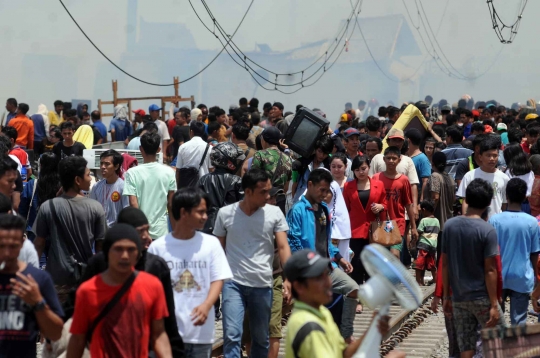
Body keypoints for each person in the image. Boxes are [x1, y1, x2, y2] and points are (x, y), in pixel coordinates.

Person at [80, 207, 184, 357]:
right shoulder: (98, 264)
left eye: (147, 230)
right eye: (140, 231)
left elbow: (167, 323)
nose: (147, 237)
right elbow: (75, 309)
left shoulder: (156, 267)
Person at [213, 169, 291, 358]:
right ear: (248, 192)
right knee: (232, 335)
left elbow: (282, 246)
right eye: (263, 192)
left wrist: (289, 278)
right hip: (233, 284)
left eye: (269, 191)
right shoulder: (225, 214)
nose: (268, 196)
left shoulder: (274, 213)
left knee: (260, 338)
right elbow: (217, 250)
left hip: (263, 284)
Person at [149, 189, 232, 358]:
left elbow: (218, 279)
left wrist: (207, 305)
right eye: (200, 212)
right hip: (165, 334)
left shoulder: (211, 244)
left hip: (200, 335)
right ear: (183, 213)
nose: (205, 217)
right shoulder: (158, 247)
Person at [67, 224, 172, 358]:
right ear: (107, 252)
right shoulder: (88, 291)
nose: (124, 256)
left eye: (131, 249)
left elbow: (158, 334)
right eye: (118, 249)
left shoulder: (153, 286)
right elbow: (78, 338)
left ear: (138, 254)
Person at [283, 249, 404, 358]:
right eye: (319, 278)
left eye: (327, 275)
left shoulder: (321, 312)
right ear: (299, 287)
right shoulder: (309, 325)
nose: (328, 282)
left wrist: (371, 331)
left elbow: (343, 353)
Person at [287, 169, 358, 341]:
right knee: (314, 309)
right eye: (322, 190)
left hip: (328, 268)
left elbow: (326, 241)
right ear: (310, 185)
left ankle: (346, 334)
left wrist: (339, 258)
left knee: (353, 289)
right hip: (310, 271)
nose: (325, 195)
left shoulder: (324, 209)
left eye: (327, 191)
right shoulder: (298, 210)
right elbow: (293, 240)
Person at [442, 179, 504, 357]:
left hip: (459, 298)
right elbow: (490, 270)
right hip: (481, 298)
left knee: (466, 347)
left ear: (466, 199)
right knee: (501, 341)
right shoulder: (487, 230)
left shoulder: (449, 226)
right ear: (488, 203)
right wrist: (494, 304)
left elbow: (445, 264)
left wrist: (446, 295)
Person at [34, 156, 107, 302]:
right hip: (84, 278)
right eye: (88, 175)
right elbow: (101, 247)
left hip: (56, 278)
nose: (90, 179)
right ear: (77, 180)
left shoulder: (47, 206)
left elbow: (39, 244)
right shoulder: (95, 207)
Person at [0, 214, 64, 357]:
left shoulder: (38, 279)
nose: (6, 253)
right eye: (1, 245)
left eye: (13, 246)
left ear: (23, 242)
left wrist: (38, 303)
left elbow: (56, 333)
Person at [488, 178, 539, 325]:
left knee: (498, 320)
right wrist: (536, 279)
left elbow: (490, 253)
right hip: (522, 277)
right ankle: (517, 347)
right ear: (524, 197)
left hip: (499, 277)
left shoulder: (495, 220)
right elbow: (534, 253)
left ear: (507, 196)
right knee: (519, 320)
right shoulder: (532, 222)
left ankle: (501, 347)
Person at [342, 155, 386, 310]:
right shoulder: (348, 187)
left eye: (363, 168)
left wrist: (381, 206)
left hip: (373, 230)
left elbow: (385, 203)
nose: (360, 172)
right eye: (357, 169)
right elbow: (345, 210)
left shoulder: (378, 185)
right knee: (356, 264)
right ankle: (358, 299)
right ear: (353, 171)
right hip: (354, 230)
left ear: (369, 168)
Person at [123, 132, 176, 239]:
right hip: (161, 231)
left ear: (140, 149)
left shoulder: (131, 173)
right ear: (159, 149)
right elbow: (171, 205)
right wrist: (175, 231)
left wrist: (141, 230)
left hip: (140, 232)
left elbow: (133, 203)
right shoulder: (169, 172)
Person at [372, 146, 419, 259]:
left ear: (399, 159)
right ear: (384, 159)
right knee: (382, 258)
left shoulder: (404, 180)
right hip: (379, 223)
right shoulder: (376, 178)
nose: (391, 161)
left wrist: (413, 227)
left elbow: (408, 204)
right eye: (388, 158)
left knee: (394, 255)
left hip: (397, 223)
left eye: (394, 158)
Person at [369, 128, 420, 220]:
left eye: (399, 140)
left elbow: (413, 185)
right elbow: (370, 183)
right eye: (394, 140)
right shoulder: (377, 158)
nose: (397, 143)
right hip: (379, 209)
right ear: (388, 141)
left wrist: (414, 206)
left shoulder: (408, 161)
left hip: (400, 210)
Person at [197, 142, 244, 235]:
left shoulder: (203, 179)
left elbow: (196, 205)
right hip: (230, 227)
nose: (236, 162)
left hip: (206, 227)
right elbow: (244, 206)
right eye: (234, 159)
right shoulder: (237, 181)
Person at [457, 136, 509, 218]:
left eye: (495, 155)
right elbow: (465, 201)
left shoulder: (504, 178)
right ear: (480, 157)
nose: (492, 159)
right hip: (474, 222)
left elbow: (504, 204)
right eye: (488, 155)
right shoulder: (470, 176)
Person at [19, 153, 60, 243]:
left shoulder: (32, 184)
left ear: (40, 166)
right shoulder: (62, 186)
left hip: (34, 231)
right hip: (57, 233)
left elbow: (22, 209)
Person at [90, 150, 129, 227]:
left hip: (116, 232)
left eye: (107, 164)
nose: (103, 167)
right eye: (101, 163)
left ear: (116, 166)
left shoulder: (123, 187)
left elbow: (126, 213)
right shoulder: (96, 186)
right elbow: (92, 210)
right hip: (99, 231)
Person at [292, 134, 334, 204]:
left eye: (325, 153)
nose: (321, 155)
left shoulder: (329, 165)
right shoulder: (304, 162)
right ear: (315, 149)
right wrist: (294, 191)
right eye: (319, 151)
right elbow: (295, 182)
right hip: (300, 200)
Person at [176, 121, 213, 188]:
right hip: (203, 187)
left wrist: (178, 187)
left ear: (191, 132)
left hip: (187, 186)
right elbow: (211, 169)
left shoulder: (183, 147)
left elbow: (178, 170)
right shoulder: (209, 148)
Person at [413, 200, 439, 286]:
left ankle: (418, 282)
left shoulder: (424, 220)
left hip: (423, 245)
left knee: (419, 264)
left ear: (424, 209)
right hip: (433, 245)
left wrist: (414, 239)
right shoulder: (436, 221)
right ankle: (435, 281)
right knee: (432, 264)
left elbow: (419, 231)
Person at [406, 128, 431, 201]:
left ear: (408, 141)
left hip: (415, 198)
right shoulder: (407, 157)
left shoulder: (422, 159)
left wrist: (421, 200)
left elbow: (425, 181)